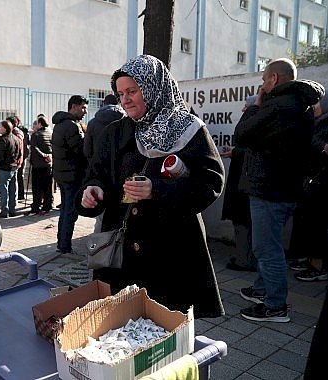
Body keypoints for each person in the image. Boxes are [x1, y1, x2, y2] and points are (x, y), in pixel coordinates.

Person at [77, 54, 225, 318]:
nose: (125, 99)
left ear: (153, 88)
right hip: (120, 252)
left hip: (170, 252)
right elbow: (95, 175)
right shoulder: (114, 132)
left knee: (165, 328)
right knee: (121, 326)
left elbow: (211, 182)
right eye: (121, 93)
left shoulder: (188, 129)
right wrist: (93, 191)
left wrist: (157, 190)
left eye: (132, 91)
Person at [235, 58, 324, 323]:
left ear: (274, 78)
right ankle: (262, 291)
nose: (262, 85)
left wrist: (255, 106)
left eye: (264, 79)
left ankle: (275, 306)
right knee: (269, 244)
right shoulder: (299, 105)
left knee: (266, 248)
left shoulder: (278, 105)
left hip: (269, 189)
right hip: (283, 188)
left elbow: (242, 134)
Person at [288, 95, 328, 282]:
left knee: (317, 226)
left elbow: (318, 146)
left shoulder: (323, 125)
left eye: (317, 103)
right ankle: (310, 262)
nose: (313, 106)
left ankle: (318, 267)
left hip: (320, 183)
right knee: (309, 225)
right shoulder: (317, 122)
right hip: (311, 181)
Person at [221, 95, 257, 272]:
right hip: (245, 181)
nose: (243, 108)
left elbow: (251, 150)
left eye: (247, 106)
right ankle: (245, 257)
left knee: (243, 222)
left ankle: (245, 260)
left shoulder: (254, 117)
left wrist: (237, 152)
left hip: (244, 182)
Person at [51, 95, 88, 254]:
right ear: (73, 106)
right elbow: (81, 151)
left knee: (65, 209)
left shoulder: (60, 124)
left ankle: (62, 242)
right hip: (72, 175)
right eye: (83, 107)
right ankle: (65, 245)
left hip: (62, 174)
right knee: (70, 211)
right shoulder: (72, 126)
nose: (85, 111)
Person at [84, 94, 125, 232]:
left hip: (100, 173)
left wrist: (95, 167)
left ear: (103, 104)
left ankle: (101, 248)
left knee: (101, 215)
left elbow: (87, 150)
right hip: (123, 173)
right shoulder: (127, 120)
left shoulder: (93, 123)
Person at [0, 119, 22, 218]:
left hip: (4, 168)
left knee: (3, 190)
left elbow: (0, 156)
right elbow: (19, 153)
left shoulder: (3, 140)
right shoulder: (16, 138)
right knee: (13, 189)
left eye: (1, 127)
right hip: (14, 167)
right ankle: (12, 209)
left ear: (5, 128)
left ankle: (4, 211)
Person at [27, 115, 53, 216]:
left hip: (38, 165)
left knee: (37, 188)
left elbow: (34, 148)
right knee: (47, 187)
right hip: (48, 164)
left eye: (36, 123)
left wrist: (44, 155)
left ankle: (36, 207)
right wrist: (49, 156)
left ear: (40, 124)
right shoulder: (50, 133)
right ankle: (47, 206)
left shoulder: (36, 135)